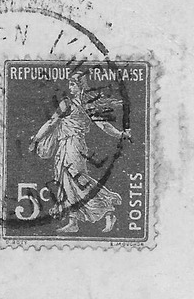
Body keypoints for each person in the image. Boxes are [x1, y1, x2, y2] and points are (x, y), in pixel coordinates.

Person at [28, 69, 130, 235]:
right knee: (64, 180)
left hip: (74, 146)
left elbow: (103, 125)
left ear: (81, 86)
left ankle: (107, 208)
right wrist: (36, 139)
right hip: (64, 145)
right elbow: (51, 123)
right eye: (70, 83)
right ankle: (73, 221)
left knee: (76, 178)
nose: (71, 87)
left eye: (74, 84)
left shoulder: (79, 105)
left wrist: (120, 134)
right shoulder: (69, 103)